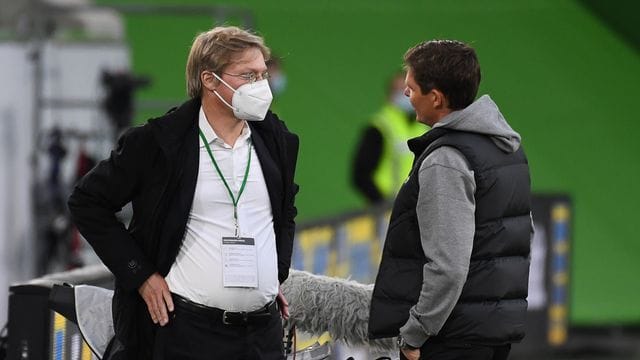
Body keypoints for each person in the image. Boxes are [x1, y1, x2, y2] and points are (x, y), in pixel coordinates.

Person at [68, 26, 299, 360]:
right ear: (209, 80)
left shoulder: (277, 141)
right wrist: (142, 275)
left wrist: (273, 271)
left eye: (263, 74)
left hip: (262, 335)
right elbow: (87, 202)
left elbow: (285, 210)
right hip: (188, 333)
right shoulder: (157, 143)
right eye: (248, 76)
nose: (261, 86)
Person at [368, 40, 532, 360]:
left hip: (451, 337)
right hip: (492, 331)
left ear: (437, 98)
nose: (405, 94)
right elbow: (523, 236)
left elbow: (448, 267)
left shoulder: (445, 159)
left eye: (411, 88)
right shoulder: (505, 148)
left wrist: (415, 334)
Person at [351, 72, 426, 204]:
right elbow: (361, 175)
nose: (406, 96)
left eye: (410, 90)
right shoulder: (380, 128)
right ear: (388, 96)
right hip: (386, 211)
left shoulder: (423, 128)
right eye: (400, 91)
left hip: (416, 210)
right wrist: (382, 205)